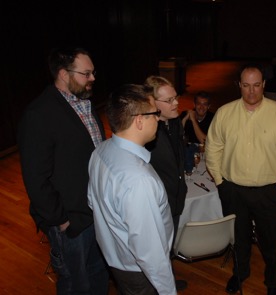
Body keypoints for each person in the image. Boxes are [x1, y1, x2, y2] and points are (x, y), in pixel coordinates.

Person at [17, 47, 109, 294]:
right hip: (71, 221)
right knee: (75, 283)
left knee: (98, 273)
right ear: (63, 74)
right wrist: (61, 219)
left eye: (93, 72)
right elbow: (36, 178)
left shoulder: (85, 104)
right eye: (86, 73)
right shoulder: (39, 114)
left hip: (95, 211)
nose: (92, 78)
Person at [205, 64, 276, 295]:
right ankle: (240, 273)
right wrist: (220, 181)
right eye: (246, 85)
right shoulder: (224, 113)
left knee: (272, 242)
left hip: (270, 192)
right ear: (239, 85)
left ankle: (273, 283)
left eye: (256, 85)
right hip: (233, 190)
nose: (251, 91)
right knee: (238, 239)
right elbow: (213, 149)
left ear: (264, 85)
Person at [88, 84, 176, 295]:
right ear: (139, 121)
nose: (158, 118)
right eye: (155, 113)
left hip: (116, 260)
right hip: (141, 273)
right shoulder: (139, 180)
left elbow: (93, 201)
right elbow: (150, 253)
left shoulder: (100, 151)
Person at [143, 75, 188, 291]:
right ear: (152, 102)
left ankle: (167, 281)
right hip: (158, 205)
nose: (176, 103)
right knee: (155, 253)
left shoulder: (176, 122)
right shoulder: (146, 132)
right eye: (169, 100)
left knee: (168, 248)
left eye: (175, 97)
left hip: (176, 199)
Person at [180, 91, 214, 172]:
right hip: (187, 152)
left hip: (204, 154)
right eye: (199, 103)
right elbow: (177, 135)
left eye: (205, 104)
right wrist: (184, 119)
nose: (201, 107)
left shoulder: (212, 118)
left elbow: (204, 141)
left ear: (209, 106)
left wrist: (193, 120)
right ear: (194, 104)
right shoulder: (185, 114)